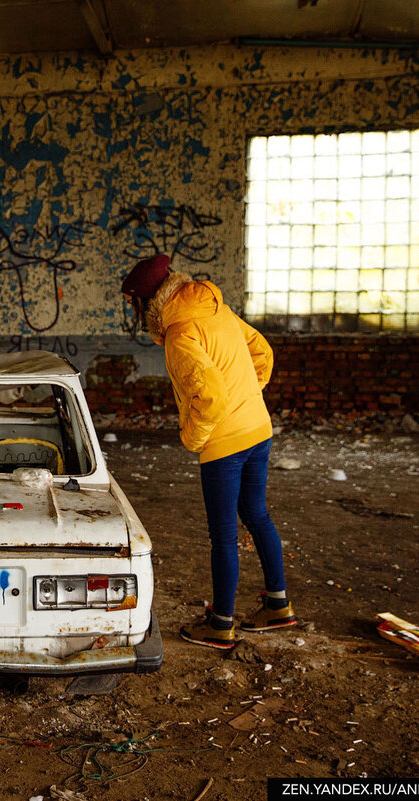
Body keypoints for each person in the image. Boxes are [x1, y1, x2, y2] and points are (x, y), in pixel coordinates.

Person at [122, 254, 298, 649]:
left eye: (131, 303)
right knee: (257, 514)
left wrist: (193, 437)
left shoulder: (181, 334)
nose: (130, 310)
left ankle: (220, 625)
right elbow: (262, 353)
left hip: (225, 444)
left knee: (223, 536)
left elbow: (212, 398)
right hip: (259, 427)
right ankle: (278, 606)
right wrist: (248, 399)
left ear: (144, 301)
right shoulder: (215, 309)